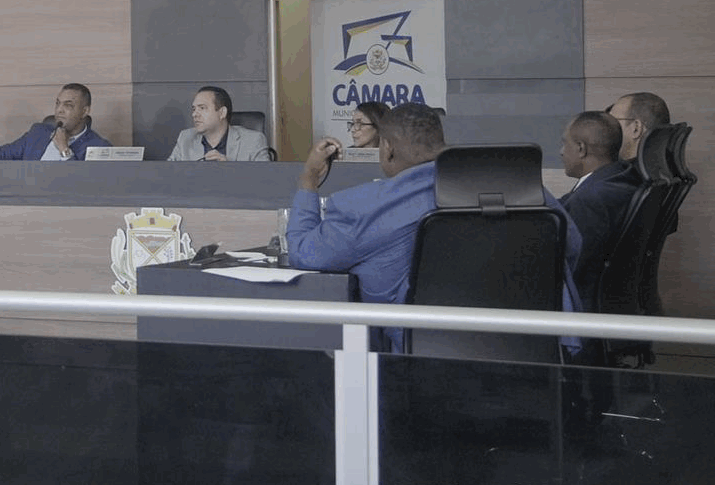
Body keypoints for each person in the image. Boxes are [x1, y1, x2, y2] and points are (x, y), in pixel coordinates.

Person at [287, 103, 582, 349]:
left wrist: (308, 181)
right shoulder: (519, 184)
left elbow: (304, 253)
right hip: (539, 354)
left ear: (387, 149)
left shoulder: (365, 207)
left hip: (423, 366)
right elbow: (571, 245)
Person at [559, 110, 642, 309]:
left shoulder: (591, 200)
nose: (561, 151)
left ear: (581, 148)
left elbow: (574, 269)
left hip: (582, 308)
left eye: (564, 143)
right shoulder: (618, 177)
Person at [0, 84, 112, 161]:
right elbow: (0, 154)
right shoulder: (38, 133)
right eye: (58, 103)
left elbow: (85, 184)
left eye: (68, 105)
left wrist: (64, 149)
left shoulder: (99, 147)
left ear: (84, 111)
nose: (59, 110)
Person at [166, 86, 271, 161]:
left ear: (222, 113)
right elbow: (168, 175)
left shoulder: (253, 141)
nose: (195, 114)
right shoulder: (185, 138)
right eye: (194, 109)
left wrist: (230, 170)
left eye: (202, 108)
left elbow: (265, 180)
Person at [606, 92, 672, 163]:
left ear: (636, 128)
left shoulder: (616, 170)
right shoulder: (666, 165)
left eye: (613, 121)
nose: (607, 129)